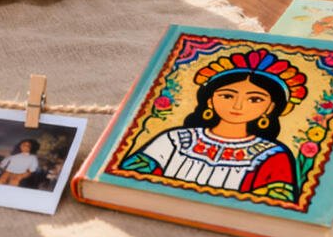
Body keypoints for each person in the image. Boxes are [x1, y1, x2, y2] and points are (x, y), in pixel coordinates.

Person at [117, 48, 303, 201]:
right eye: (227, 96)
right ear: (210, 100)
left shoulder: (272, 156)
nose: (238, 106)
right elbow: (125, 179)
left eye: (254, 99)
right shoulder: (174, 141)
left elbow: (274, 206)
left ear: (270, 108)